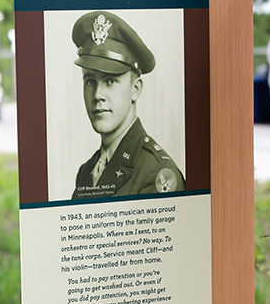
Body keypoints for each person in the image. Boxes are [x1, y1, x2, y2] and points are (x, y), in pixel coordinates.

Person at [71, 11, 185, 200]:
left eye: (110, 81)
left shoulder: (157, 174)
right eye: (90, 81)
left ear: (135, 89)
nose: (98, 95)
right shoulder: (87, 172)